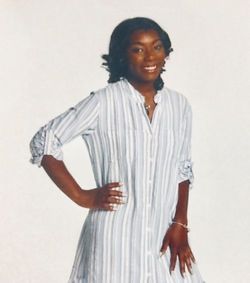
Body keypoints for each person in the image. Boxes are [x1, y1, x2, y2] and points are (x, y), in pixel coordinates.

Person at [29, 17, 204, 283]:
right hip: (114, 239)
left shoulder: (179, 106)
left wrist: (180, 223)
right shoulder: (103, 102)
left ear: (166, 52)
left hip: (165, 236)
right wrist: (81, 196)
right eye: (138, 49)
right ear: (122, 55)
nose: (149, 56)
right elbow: (45, 140)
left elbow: (182, 167)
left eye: (157, 47)